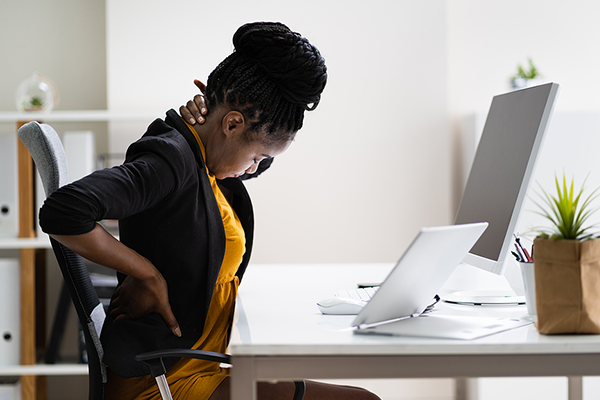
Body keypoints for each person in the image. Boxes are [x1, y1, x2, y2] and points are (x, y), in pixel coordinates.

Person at [39, 22, 380, 400]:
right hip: (164, 382)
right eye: (256, 157)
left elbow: (235, 158)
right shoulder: (172, 160)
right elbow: (64, 210)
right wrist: (146, 274)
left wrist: (224, 123)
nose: (253, 169)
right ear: (232, 124)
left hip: (199, 365)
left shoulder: (205, 161)